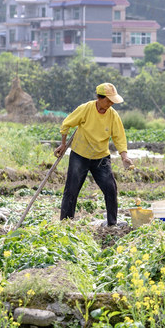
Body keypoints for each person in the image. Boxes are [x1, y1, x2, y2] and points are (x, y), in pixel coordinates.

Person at [55, 82, 133, 226]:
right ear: (99, 98)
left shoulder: (113, 115)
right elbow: (66, 124)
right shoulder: (85, 109)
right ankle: (65, 224)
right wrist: (63, 143)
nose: (110, 104)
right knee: (71, 190)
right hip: (80, 154)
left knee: (111, 188)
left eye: (112, 101)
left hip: (101, 157)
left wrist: (124, 156)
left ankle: (112, 224)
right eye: (108, 100)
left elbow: (119, 137)